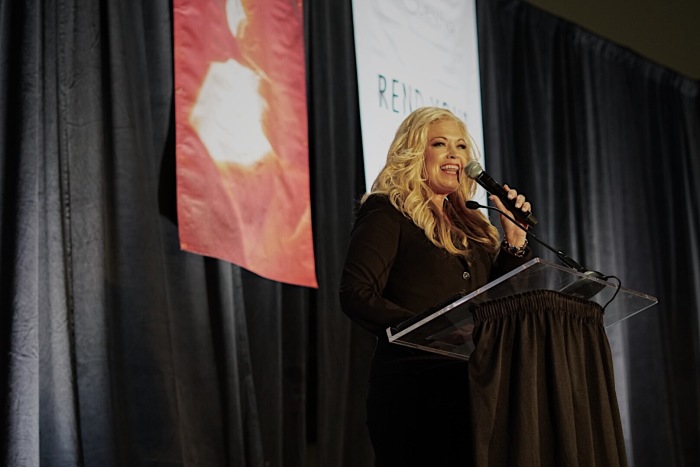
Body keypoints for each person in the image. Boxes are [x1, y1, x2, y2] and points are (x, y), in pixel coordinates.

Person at [339, 107, 534, 466]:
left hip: (475, 389)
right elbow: (356, 293)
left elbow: (498, 302)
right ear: (415, 153)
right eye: (440, 144)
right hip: (413, 389)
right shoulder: (388, 211)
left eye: (461, 147)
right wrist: (431, 330)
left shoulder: (475, 227)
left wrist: (515, 243)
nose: (454, 155)